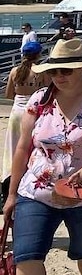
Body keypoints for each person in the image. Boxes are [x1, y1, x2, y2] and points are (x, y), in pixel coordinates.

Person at [2, 38, 82, 275]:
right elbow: (22, 148)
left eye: (66, 70)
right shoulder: (39, 100)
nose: (59, 76)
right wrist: (11, 195)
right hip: (36, 189)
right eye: (54, 71)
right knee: (27, 255)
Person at [2, 42, 48, 184]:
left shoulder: (15, 71)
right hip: (34, 112)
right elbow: (47, 94)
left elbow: (8, 94)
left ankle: (9, 176)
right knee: (31, 145)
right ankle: (28, 173)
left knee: (14, 145)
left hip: (17, 112)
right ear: (39, 54)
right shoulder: (41, 71)